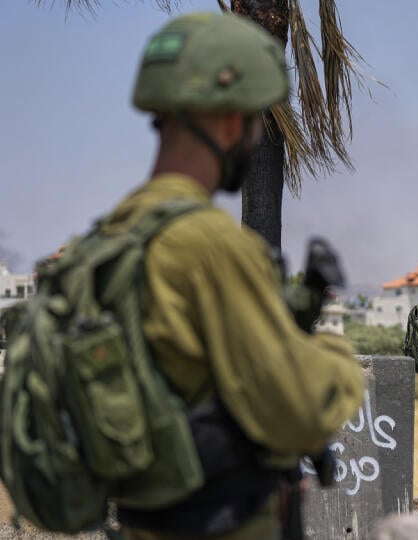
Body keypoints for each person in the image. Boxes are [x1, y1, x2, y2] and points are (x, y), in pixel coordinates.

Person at [106, 12, 365, 539]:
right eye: (254, 121)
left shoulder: (113, 234)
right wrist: (336, 358)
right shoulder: (211, 247)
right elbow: (298, 405)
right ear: (229, 120)